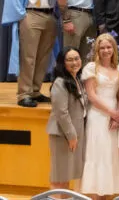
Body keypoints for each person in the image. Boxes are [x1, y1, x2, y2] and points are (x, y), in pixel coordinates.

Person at [2, 0, 59, 107]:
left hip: (50, 15)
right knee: (28, 56)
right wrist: (22, 14)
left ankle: (35, 90)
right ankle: (24, 94)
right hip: (31, 14)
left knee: (43, 56)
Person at [80, 33, 119, 199]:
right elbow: (91, 96)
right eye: (102, 47)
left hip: (114, 117)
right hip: (98, 116)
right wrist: (112, 113)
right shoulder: (91, 68)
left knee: (110, 155)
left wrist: (117, 115)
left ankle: (106, 195)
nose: (106, 50)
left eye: (109, 47)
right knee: (97, 154)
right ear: (97, 50)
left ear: (114, 48)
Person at [46, 47, 87, 199]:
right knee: (59, 177)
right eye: (69, 60)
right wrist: (72, 136)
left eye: (77, 58)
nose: (74, 62)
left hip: (73, 135)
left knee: (66, 176)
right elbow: (61, 112)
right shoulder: (60, 82)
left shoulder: (77, 80)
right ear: (62, 63)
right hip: (63, 135)